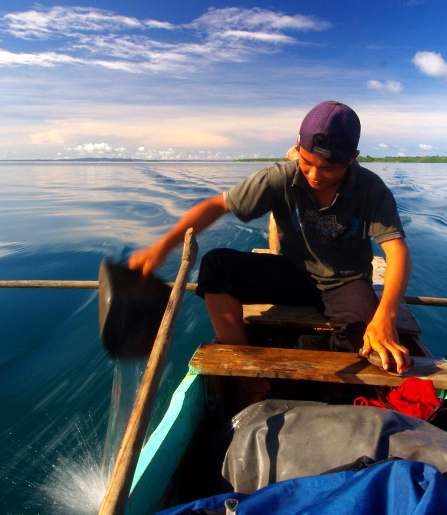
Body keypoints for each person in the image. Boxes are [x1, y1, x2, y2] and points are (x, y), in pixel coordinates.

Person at [129, 101, 412, 373]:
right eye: (306, 162)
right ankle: (244, 369)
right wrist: (162, 247)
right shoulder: (279, 178)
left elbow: (397, 251)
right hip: (293, 271)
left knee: (369, 343)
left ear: (352, 158)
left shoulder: (370, 189)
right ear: (297, 147)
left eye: (329, 168)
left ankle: (327, 368)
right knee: (216, 265)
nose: (315, 175)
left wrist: (386, 316)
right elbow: (216, 206)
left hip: (345, 282)